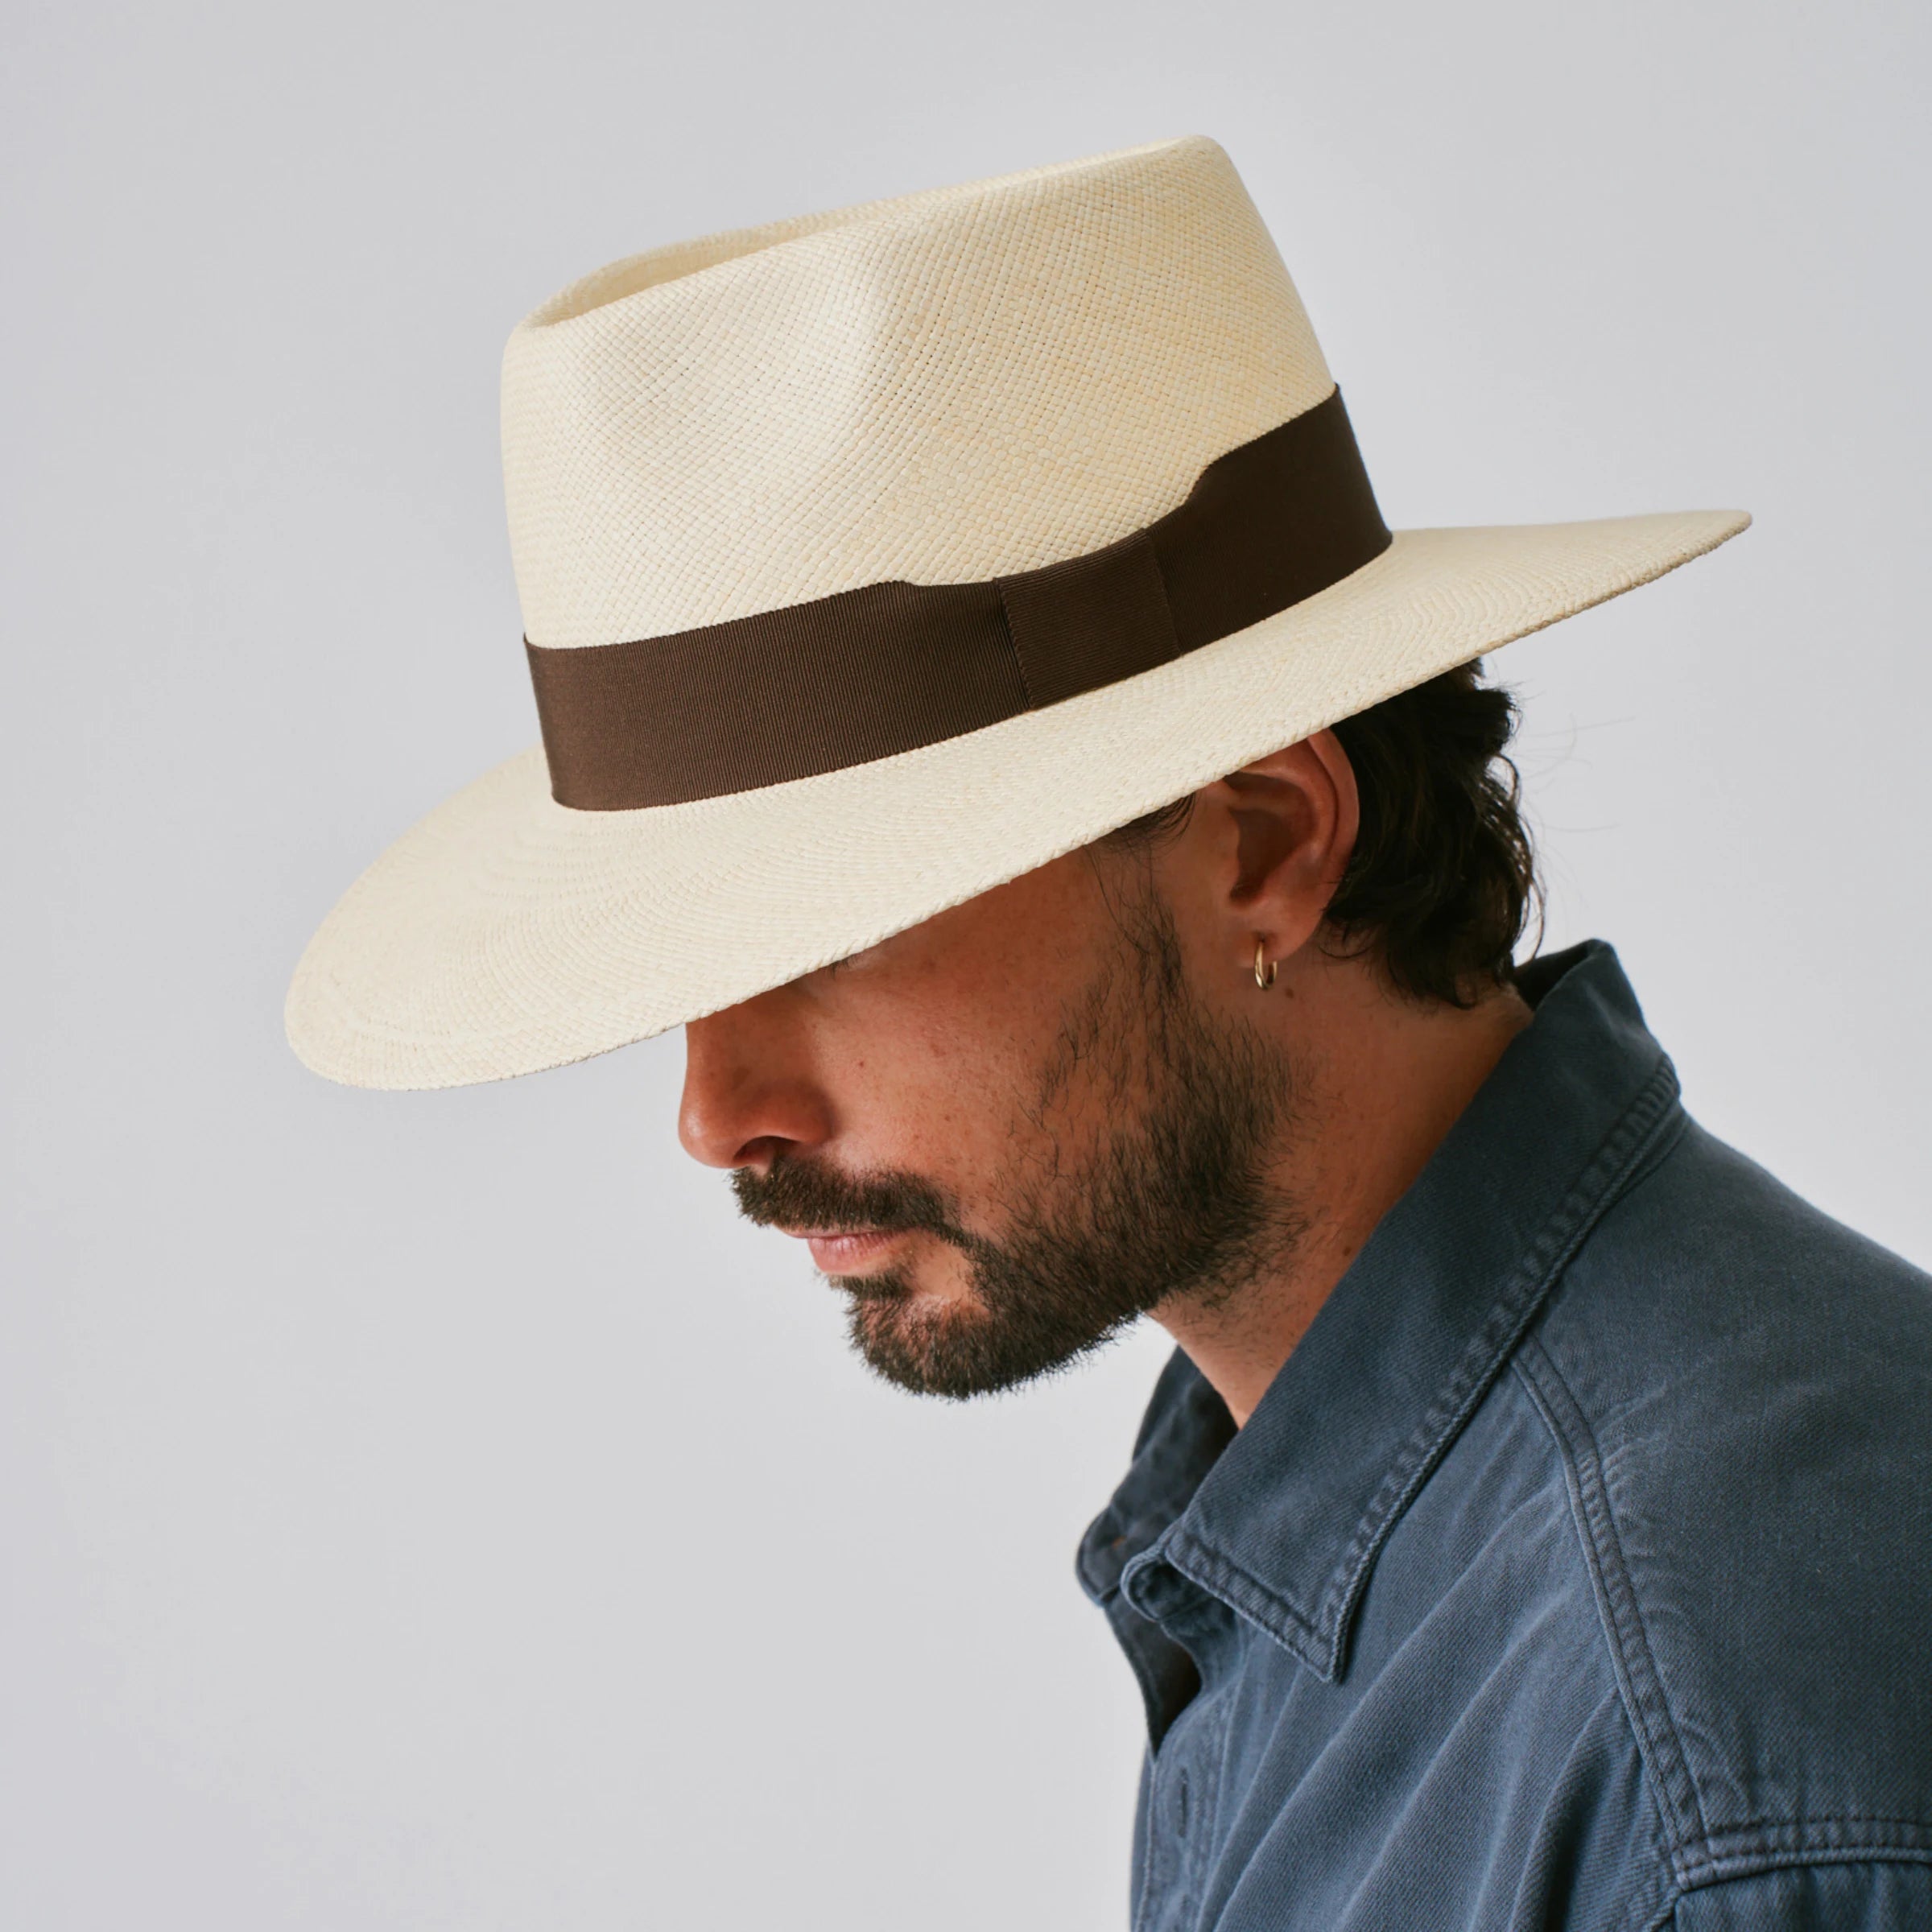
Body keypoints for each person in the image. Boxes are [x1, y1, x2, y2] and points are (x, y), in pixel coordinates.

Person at [289, 137, 1932, 1928]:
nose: (715, 1111)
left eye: (823, 935)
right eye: (683, 967)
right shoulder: (1353, 1520)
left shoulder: (1718, 1726)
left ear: (1267, 843)